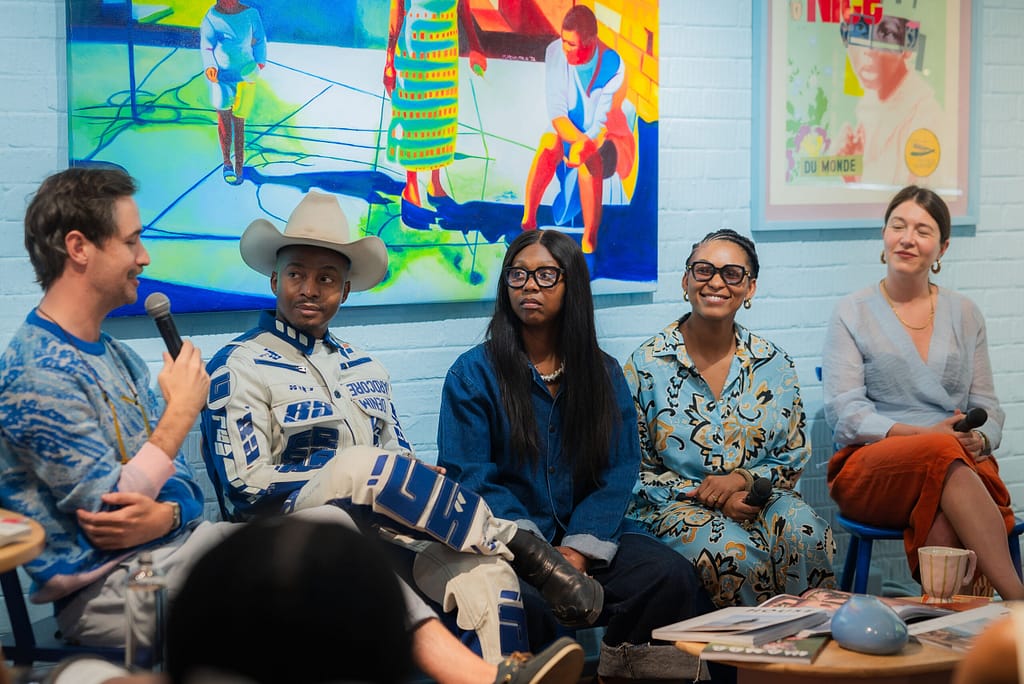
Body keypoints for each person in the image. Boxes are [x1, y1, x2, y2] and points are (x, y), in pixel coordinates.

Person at [202, 191, 593, 683]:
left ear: (345, 291)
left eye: (326, 279)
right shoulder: (239, 364)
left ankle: (503, 673)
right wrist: (355, 473)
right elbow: (243, 489)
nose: (309, 289)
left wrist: (408, 474)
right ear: (275, 280)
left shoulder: (367, 367)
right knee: (360, 464)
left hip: (376, 533)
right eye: (297, 275)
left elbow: (397, 460)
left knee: (486, 576)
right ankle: (516, 542)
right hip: (286, 535)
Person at [436, 229, 717, 681]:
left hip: (590, 539)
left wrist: (577, 551)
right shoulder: (472, 375)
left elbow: (617, 471)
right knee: (520, 602)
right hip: (509, 544)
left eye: (546, 275)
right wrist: (541, 557)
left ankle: (625, 674)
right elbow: (471, 476)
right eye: (518, 275)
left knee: (668, 576)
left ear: (572, 286)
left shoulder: (602, 373)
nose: (530, 286)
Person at [0, 167, 238, 649]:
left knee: (333, 537)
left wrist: (169, 515)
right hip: (111, 587)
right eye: (131, 242)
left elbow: (183, 483)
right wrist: (180, 414)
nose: (144, 257)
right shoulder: (36, 371)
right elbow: (108, 513)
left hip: (177, 547)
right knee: (299, 591)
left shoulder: (119, 356)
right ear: (79, 247)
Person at [823, 185, 1024, 600]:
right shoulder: (851, 311)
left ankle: (949, 625)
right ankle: (1016, 601)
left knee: (945, 500)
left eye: (922, 230)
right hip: (874, 466)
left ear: (942, 247)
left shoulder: (965, 313)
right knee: (942, 453)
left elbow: (988, 407)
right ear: (884, 234)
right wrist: (927, 435)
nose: (907, 238)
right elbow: (846, 415)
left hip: (955, 464)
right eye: (898, 226)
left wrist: (980, 437)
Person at [624, 229, 836, 608]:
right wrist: (717, 498)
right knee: (734, 554)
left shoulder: (774, 364)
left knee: (807, 534)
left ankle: (808, 638)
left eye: (732, 274)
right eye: (704, 270)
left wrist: (742, 480)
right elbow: (632, 470)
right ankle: (750, 647)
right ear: (686, 280)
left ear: (750, 288)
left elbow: (792, 457)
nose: (716, 282)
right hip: (676, 505)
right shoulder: (645, 366)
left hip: (763, 497)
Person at [520, 5, 635, 263]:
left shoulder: (613, 65)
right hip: (569, 131)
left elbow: (602, 124)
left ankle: (589, 241)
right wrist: (577, 141)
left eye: (571, 44)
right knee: (548, 142)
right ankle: (528, 221)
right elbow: (557, 113)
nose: (565, 48)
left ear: (591, 42)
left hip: (605, 137)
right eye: (564, 41)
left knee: (589, 164)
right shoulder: (555, 53)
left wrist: (584, 146)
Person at [383, 0, 486, 229]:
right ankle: (411, 186)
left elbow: (463, 7)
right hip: (414, 47)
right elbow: (396, 7)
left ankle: (435, 185)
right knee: (412, 116)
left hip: (445, 49)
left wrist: (475, 46)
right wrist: (389, 59)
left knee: (441, 116)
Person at [835, 10, 953, 188]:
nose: (869, 51)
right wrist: (852, 176)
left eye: (887, 34)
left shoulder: (926, 119)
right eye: (859, 31)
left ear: (907, 45)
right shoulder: (869, 106)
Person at [201, 0, 267, 186]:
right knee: (224, 122)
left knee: (239, 123)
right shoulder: (211, 17)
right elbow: (207, 45)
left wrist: (260, 63)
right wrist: (210, 66)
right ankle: (226, 162)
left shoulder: (251, 14)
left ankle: (239, 166)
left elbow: (260, 40)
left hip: (246, 76)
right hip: (221, 77)